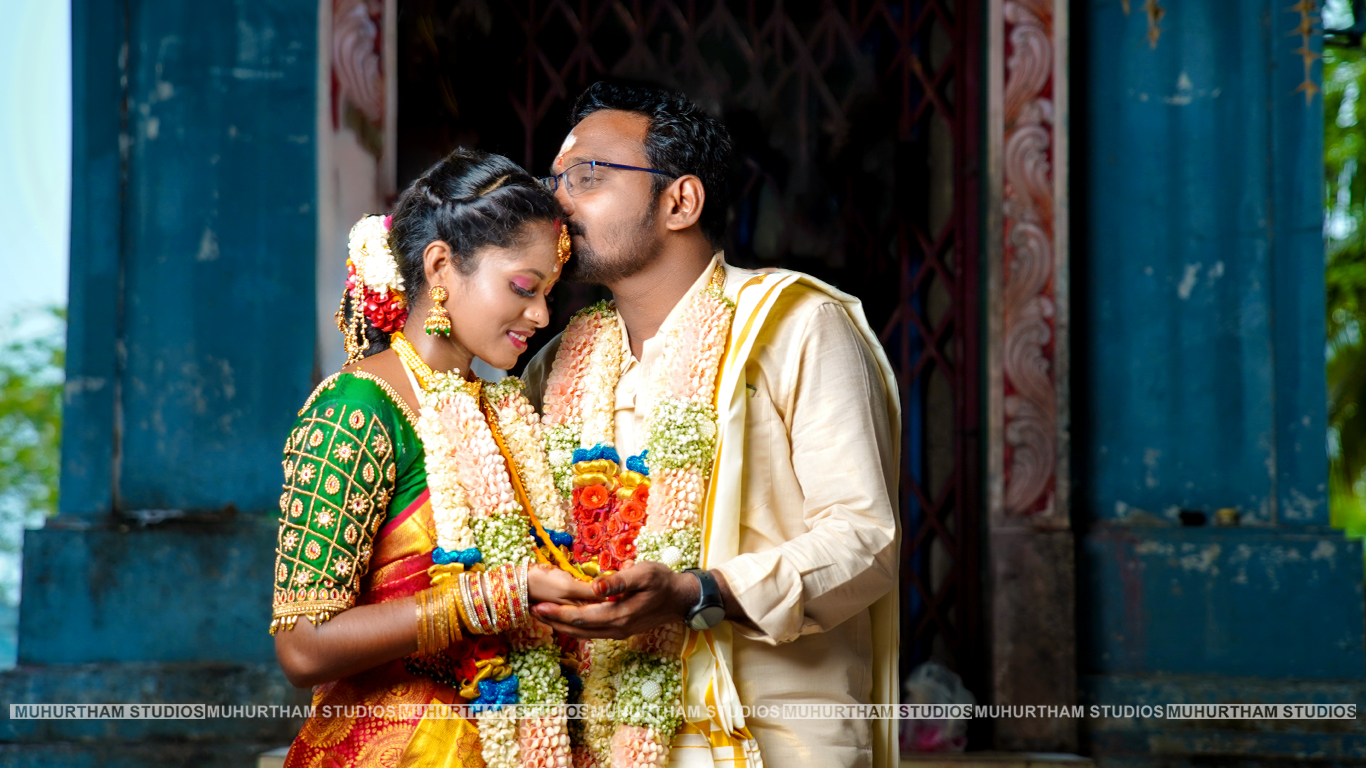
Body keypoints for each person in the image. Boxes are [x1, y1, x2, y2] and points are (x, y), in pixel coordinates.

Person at [522, 82, 902, 768]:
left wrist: (697, 593)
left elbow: (864, 540)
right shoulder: (556, 363)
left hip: (768, 742)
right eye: (553, 181)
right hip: (595, 737)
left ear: (681, 201)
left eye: (588, 176)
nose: (558, 204)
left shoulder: (795, 326)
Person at [270, 148, 600, 767]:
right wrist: (497, 596)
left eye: (549, 293)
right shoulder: (357, 407)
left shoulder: (501, 411)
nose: (540, 315)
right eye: (524, 287)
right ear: (441, 265)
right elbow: (303, 646)